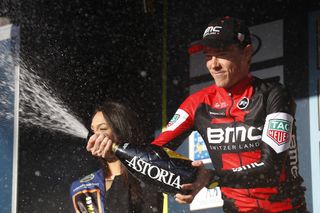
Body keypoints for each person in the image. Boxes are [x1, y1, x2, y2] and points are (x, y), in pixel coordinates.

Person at [150, 16, 307, 212]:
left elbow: (271, 170)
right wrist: (181, 178)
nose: (213, 65)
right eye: (208, 56)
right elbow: (152, 154)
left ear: (247, 52)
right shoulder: (196, 103)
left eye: (221, 54)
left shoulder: (274, 94)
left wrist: (211, 177)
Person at [70, 101, 163, 213]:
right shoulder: (84, 187)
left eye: (103, 129)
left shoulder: (153, 175)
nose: (95, 137)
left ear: (121, 132)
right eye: (93, 131)